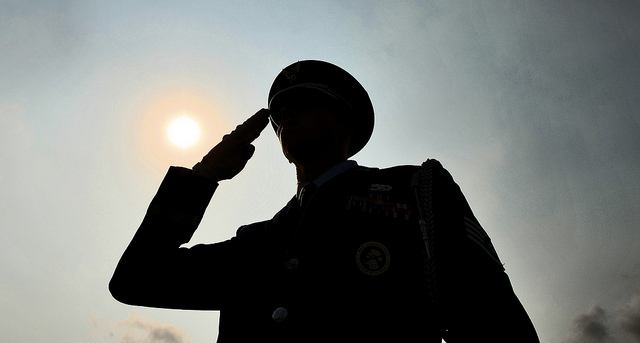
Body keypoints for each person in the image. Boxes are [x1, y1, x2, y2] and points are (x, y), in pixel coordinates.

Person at [110, 60, 539, 342]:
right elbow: (136, 280)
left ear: (346, 123)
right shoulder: (257, 242)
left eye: (306, 103)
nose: (288, 117)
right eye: (280, 114)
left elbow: (494, 321)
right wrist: (202, 178)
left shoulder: (416, 193)